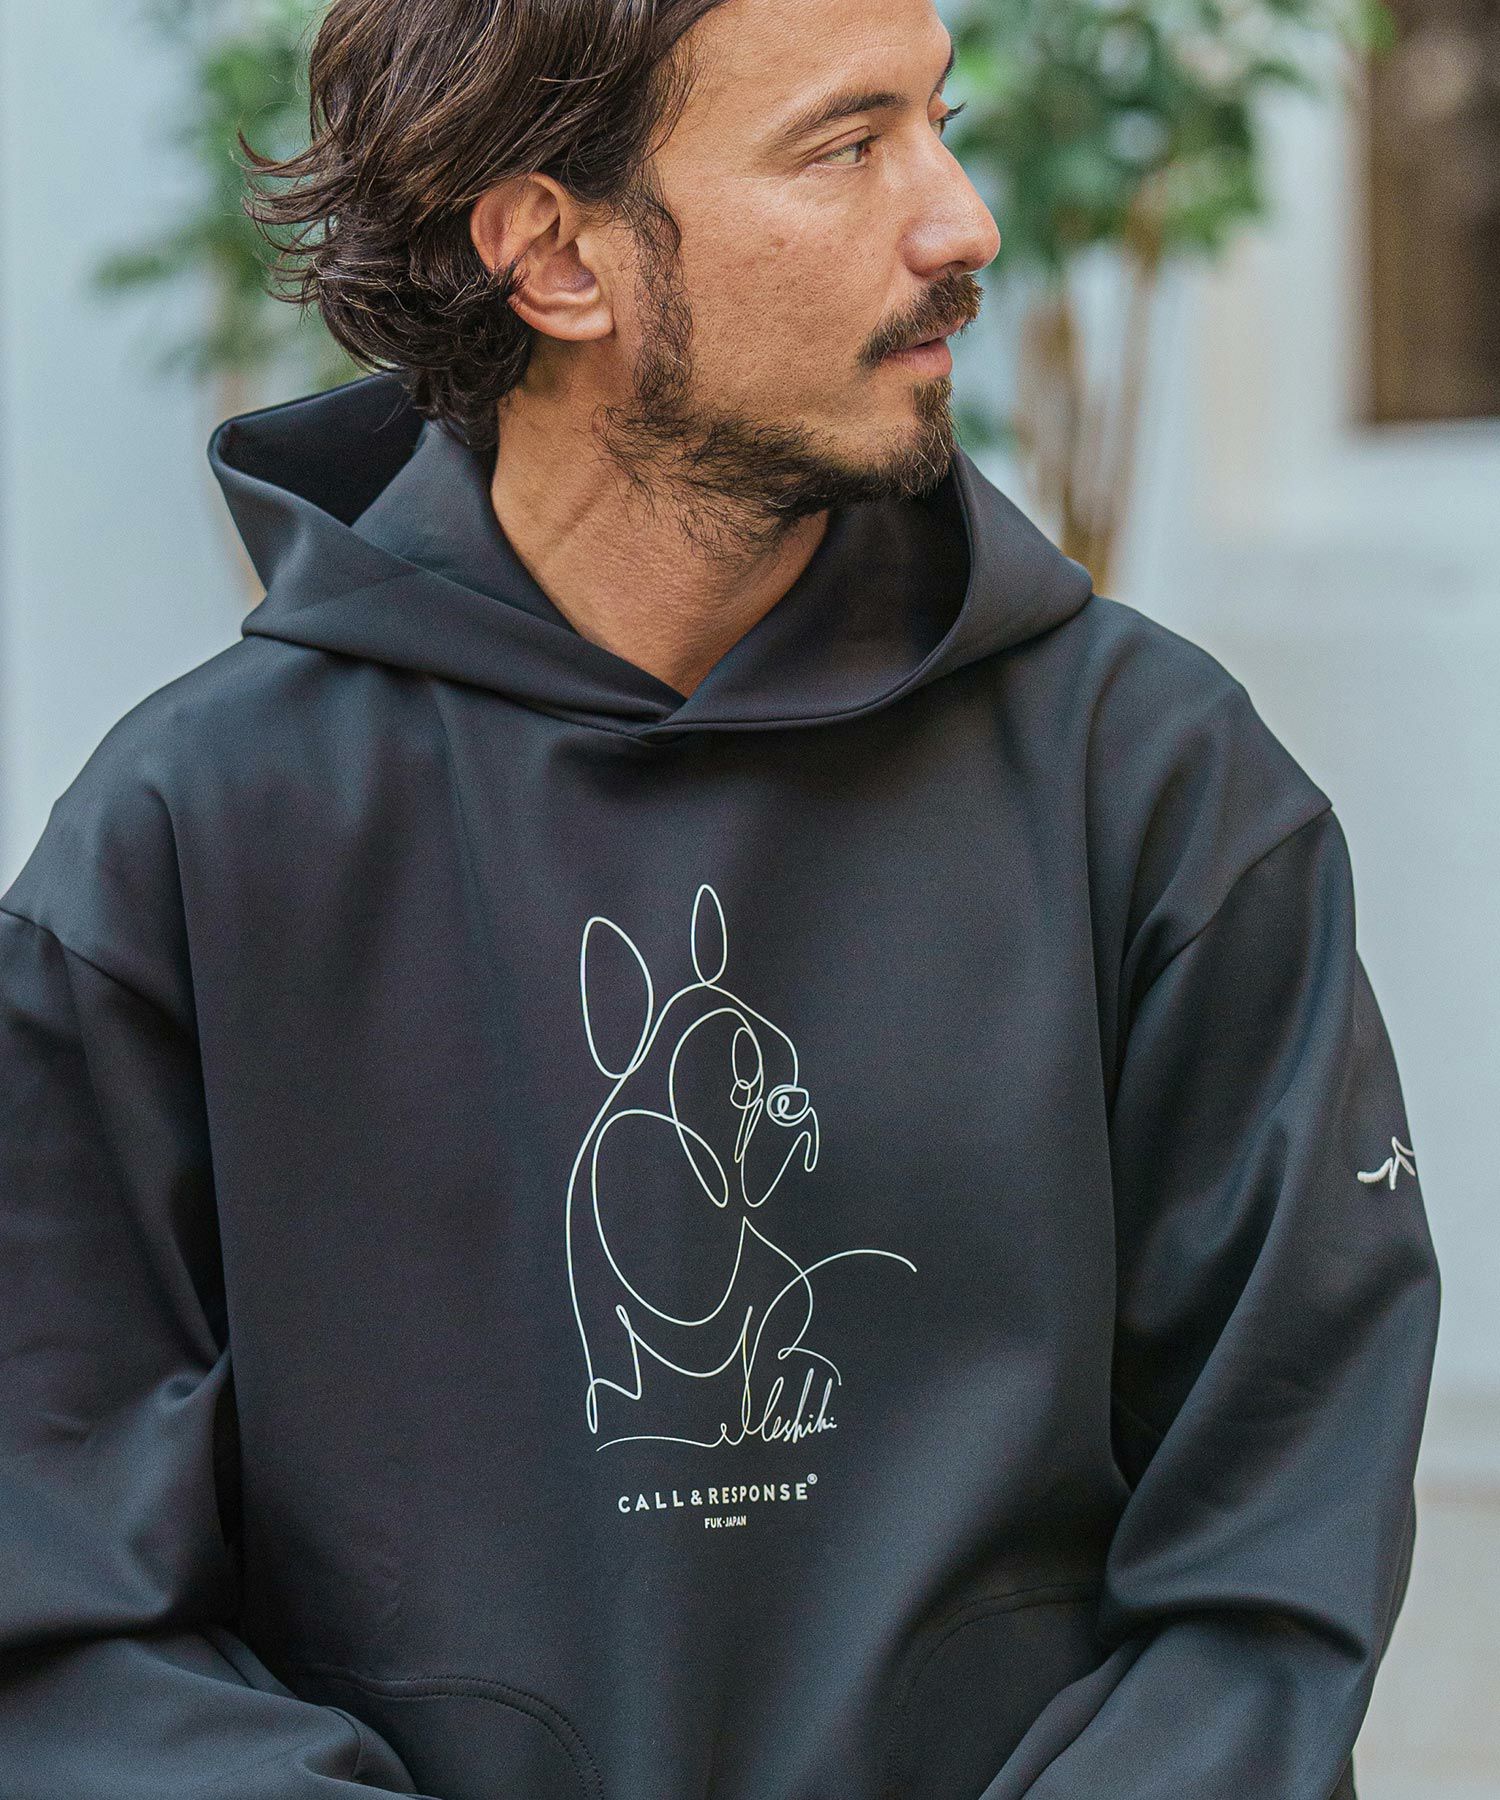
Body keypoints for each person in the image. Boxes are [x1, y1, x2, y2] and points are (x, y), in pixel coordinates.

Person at [0, 0, 1441, 1795]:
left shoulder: (1153, 786)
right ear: (556, 257)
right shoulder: (190, 845)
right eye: (845, 147)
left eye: (939, 119)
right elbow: (64, 1613)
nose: (964, 219)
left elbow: (1272, 1553)